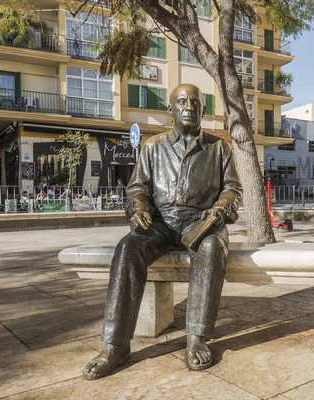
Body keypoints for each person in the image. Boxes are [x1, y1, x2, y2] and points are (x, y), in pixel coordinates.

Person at [83, 84, 242, 380]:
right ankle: (115, 345)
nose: (189, 107)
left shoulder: (219, 148)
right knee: (127, 248)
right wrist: (138, 209)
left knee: (210, 249)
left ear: (203, 110)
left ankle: (196, 337)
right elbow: (137, 188)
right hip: (162, 223)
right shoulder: (152, 146)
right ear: (170, 110)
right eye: (182, 102)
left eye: (195, 103)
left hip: (203, 223)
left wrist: (218, 211)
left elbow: (232, 188)